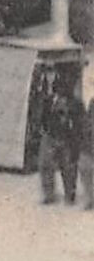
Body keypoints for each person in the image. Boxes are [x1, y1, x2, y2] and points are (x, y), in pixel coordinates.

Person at [37, 78, 86, 206]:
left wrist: (75, 139)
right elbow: (43, 116)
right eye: (58, 88)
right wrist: (44, 129)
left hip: (66, 138)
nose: (60, 91)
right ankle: (49, 195)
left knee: (68, 168)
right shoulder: (49, 101)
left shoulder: (75, 103)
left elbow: (80, 123)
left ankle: (70, 195)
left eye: (63, 88)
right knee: (45, 165)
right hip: (50, 136)